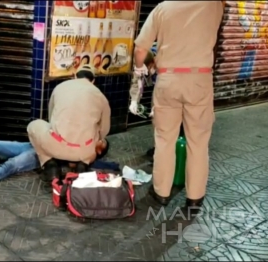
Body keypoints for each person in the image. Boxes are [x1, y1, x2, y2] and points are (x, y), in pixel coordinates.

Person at [133, 2, 223, 208]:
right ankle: (195, 198)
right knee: (198, 143)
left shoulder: (163, 8)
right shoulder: (214, 5)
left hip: (168, 79)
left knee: (164, 139)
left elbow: (140, 48)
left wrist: (140, 69)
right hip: (200, 81)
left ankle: (161, 193)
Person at [27, 64, 111, 182]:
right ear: (93, 81)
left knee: (33, 125)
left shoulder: (60, 87)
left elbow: (51, 118)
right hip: (85, 151)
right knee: (100, 138)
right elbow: (104, 131)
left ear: (74, 76)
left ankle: (49, 164)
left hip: (55, 145)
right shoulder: (101, 97)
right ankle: (83, 164)